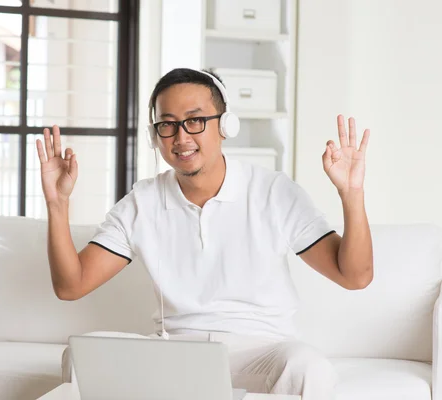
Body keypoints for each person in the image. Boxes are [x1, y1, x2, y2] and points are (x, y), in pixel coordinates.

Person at [36, 68, 373, 399]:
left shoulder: (274, 191)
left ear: (226, 125)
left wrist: (352, 193)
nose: (181, 137)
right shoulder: (143, 200)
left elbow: (355, 276)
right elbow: (71, 285)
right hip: (176, 352)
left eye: (195, 121)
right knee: (81, 357)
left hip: (264, 353)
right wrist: (57, 202)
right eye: (167, 124)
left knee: (307, 367)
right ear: (156, 136)